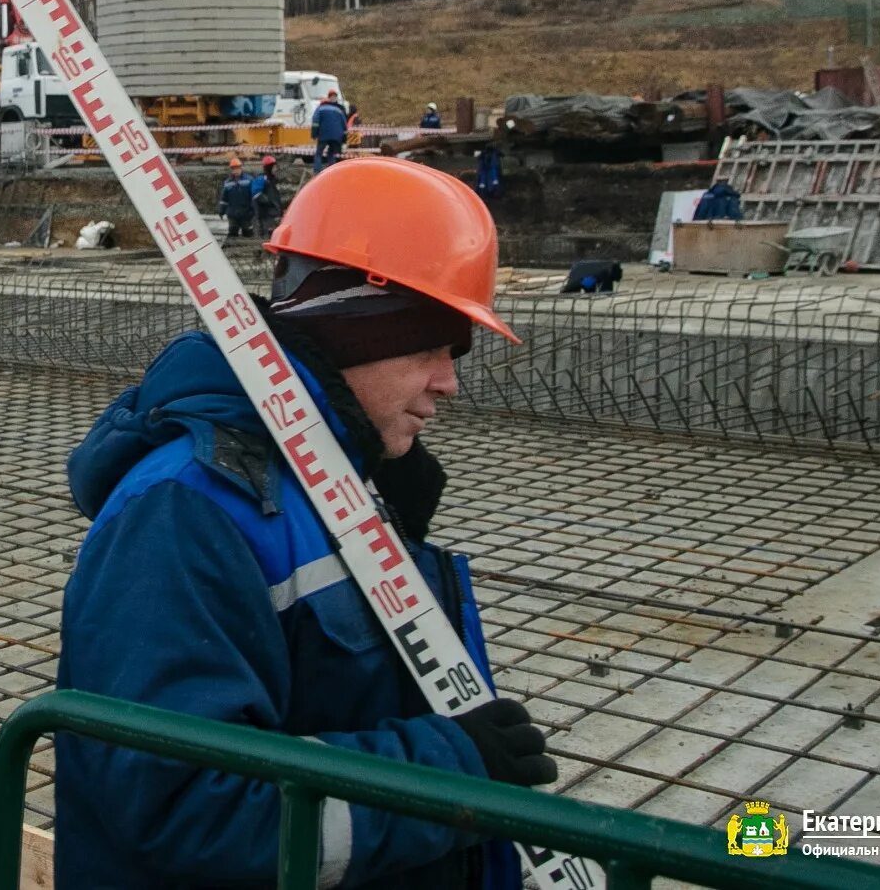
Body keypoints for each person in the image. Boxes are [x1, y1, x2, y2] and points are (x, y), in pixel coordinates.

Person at [56, 157, 555, 888]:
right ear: (356, 330)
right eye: (429, 347)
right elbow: (187, 807)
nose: (449, 381)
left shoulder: (340, 481)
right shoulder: (185, 514)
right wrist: (447, 775)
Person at [217, 157, 257, 238]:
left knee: (247, 232)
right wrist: (221, 211)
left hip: (246, 213)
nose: (236, 171)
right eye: (234, 169)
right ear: (231, 170)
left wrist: (254, 210)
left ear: (241, 168)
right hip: (232, 213)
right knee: (232, 232)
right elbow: (224, 199)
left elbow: (254, 196)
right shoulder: (228, 183)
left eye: (237, 168)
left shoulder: (249, 180)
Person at [311, 90, 348, 173]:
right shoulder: (339, 110)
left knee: (319, 153)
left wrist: (314, 134)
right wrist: (344, 137)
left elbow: (315, 122)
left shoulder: (320, 109)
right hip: (336, 136)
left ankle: (317, 172)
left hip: (324, 135)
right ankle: (332, 171)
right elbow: (344, 124)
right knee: (331, 153)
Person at [252, 154, 288, 236]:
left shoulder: (274, 180)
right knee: (267, 234)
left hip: (275, 213)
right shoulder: (261, 178)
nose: (276, 169)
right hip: (266, 214)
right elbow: (256, 195)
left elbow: (277, 196)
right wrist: (269, 202)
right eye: (274, 167)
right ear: (269, 167)